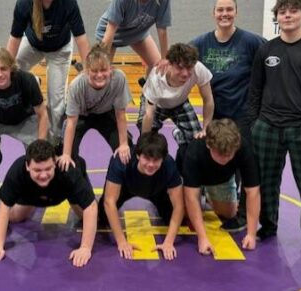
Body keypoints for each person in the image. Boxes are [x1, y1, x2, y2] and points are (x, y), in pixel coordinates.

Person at [247, 0, 301, 256]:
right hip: (267, 127)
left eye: (293, 11)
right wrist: (254, 124)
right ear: (277, 17)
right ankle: (268, 226)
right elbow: (255, 90)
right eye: (282, 12)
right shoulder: (266, 50)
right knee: (265, 183)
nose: (287, 15)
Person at [189, 0, 266, 232]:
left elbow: (273, 59)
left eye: (229, 10)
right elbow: (180, 61)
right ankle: (203, 191)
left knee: (242, 163)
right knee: (207, 155)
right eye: (220, 10)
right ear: (213, 13)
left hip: (243, 115)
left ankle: (243, 215)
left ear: (236, 12)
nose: (225, 14)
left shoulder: (252, 42)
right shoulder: (200, 43)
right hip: (213, 115)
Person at [6, 0, 91, 142]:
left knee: (56, 102)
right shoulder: (25, 2)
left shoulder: (68, 0)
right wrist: (6, 67)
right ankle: (33, 81)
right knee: (13, 71)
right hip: (32, 44)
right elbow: (14, 39)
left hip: (60, 49)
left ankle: (53, 142)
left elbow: (81, 37)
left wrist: (88, 68)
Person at [0, 139, 98, 267]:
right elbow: (3, 208)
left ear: (55, 162)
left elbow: (91, 207)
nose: (43, 175)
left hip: (65, 191)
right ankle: (35, 202)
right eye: (37, 170)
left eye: (48, 169)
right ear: (27, 166)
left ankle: (63, 198)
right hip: (32, 193)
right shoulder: (17, 171)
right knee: (14, 217)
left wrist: (85, 248)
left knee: (91, 218)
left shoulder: (68, 171)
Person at [99, 132, 183, 261]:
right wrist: (122, 242)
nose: (150, 164)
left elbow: (179, 206)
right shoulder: (122, 160)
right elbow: (109, 202)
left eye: (156, 160)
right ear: (138, 155)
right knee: (100, 218)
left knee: (179, 220)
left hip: (157, 191)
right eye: (147, 159)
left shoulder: (169, 165)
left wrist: (168, 242)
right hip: (126, 188)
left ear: (163, 158)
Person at [181, 119, 260, 255]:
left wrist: (251, 234)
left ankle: (208, 195)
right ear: (208, 145)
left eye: (229, 155)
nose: (225, 158)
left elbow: (253, 192)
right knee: (186, 215)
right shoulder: (195, 151)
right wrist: (203, 238)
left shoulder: (243, 148)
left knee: (229, 213)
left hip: (220, 178)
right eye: (220, 154)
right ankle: (181, 138)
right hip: (193, 175)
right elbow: (191, 196)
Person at [57, 44, 133, 171]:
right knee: (67, 159)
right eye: (94, 71)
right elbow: (71, 122)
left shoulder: (119, 78)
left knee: (126, 153)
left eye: (103, 70)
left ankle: (113, 186)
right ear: (87, 71)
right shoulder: (76, 86)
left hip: (106, 113)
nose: (99, 75)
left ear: (111, 69)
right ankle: (82, 187)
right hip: (82, 115)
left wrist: (124, 144)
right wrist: (66, 154)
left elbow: (120, 114)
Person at [96, 0, 171, 74]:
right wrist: (101, 63)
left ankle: (147, 91)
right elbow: (110, 30)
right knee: (104, 71)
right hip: (113, 32)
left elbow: (162, 29)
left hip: (137, 32)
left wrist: (165, 58)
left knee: (158, 67)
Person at [138, 43, 214, 156]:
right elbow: (148, 115)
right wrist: (143, 145)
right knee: (150, 140)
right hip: (157, 105)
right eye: (180, 67)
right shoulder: (156, 76)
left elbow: (208, 100)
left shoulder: (199, 69)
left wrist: (206, 129)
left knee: (198, 141)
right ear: (169, 64)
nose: (185, 74)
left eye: (189, 68)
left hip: (180, 102)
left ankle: (179, 135)